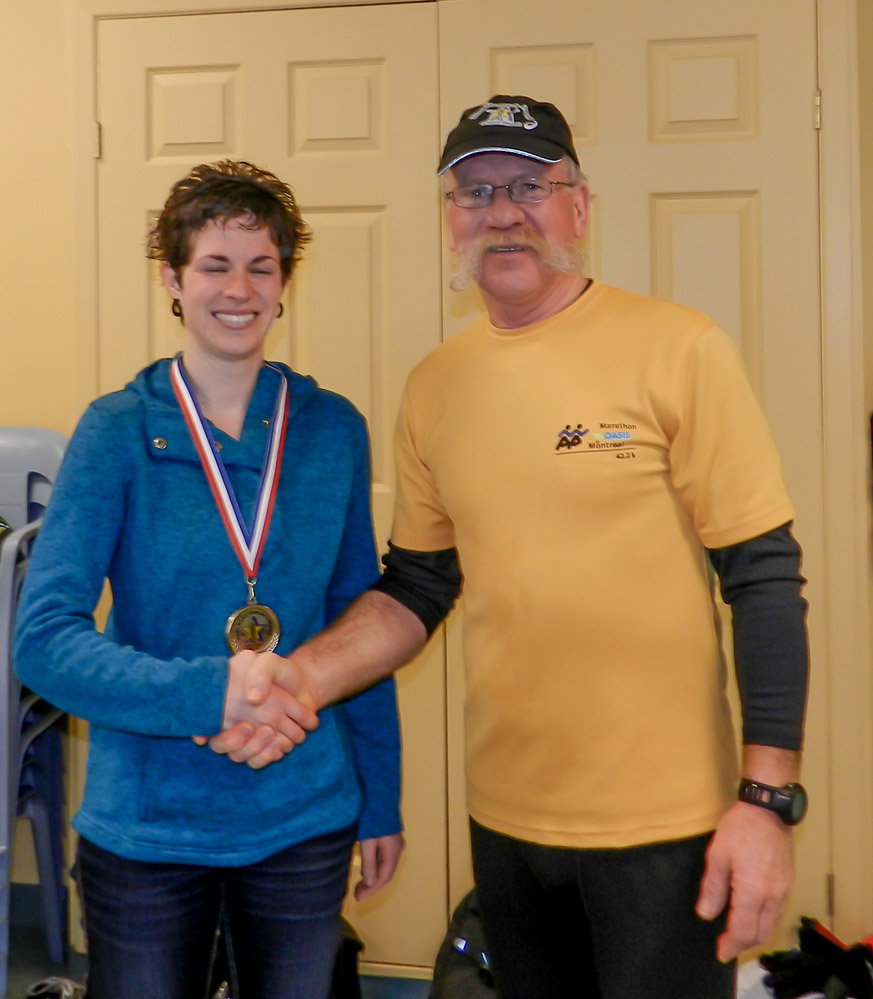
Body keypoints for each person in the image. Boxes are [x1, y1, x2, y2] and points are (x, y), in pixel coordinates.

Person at [209, 97, 809, 999]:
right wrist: (300, 679)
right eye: (475, 191)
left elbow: (762, 575)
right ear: (449, 217)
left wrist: (764, 803)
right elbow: (417, 585)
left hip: (666, 823)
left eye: (530, 185)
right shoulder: (435, 386)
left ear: (579, 205)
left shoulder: (678, 347)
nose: (502, 211)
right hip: (506, 823)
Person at [13, 160, 404, 999]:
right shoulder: (116, 431)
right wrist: (212, 693)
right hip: (148, 821)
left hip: (304, 813)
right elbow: (42, 641)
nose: (239, 289)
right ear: (173, 279)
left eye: (261, 266)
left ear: (284, 282)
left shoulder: (332, 429)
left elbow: (358, 618)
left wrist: (381, 799)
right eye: (215, 265)